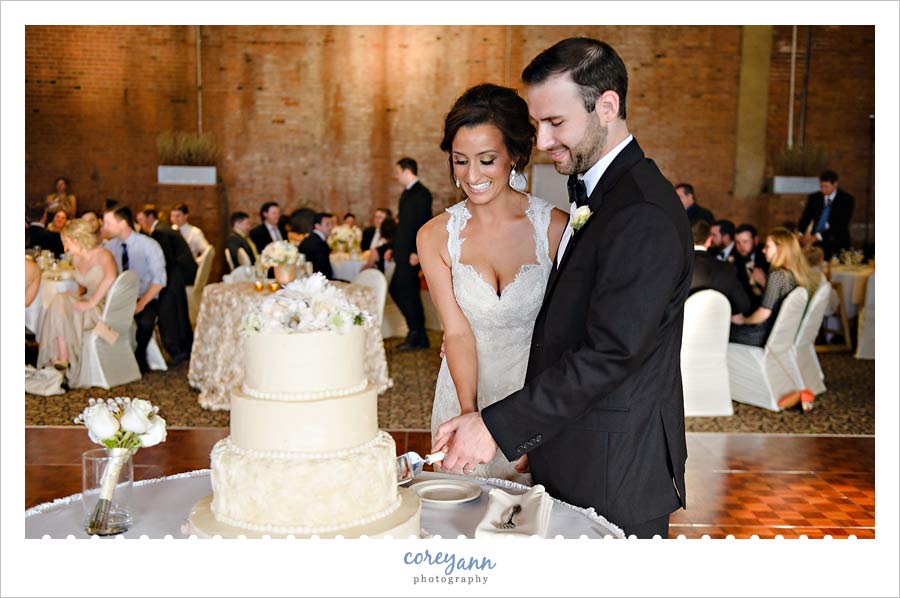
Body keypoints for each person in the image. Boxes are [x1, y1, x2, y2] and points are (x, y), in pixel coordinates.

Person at [431, 38, 692, 539]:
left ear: (607, 106)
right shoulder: (603, 194)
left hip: (615, 467)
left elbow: (611, 353)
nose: (545, 141)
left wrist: (495, 426)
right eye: (539, 124)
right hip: (574, 448)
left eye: (556, 123)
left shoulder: (642, 212)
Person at [418, 83, 568, 483]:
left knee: (530, 524)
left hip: (533, 397)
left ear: (514, 156)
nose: (472, 176)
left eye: (486, 160)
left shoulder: (554, 228)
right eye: (460, 161)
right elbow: (457, 332)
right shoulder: (435, 236)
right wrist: (469, 416)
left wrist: (529, 428)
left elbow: (565, 334)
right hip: (464, 389)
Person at [37, 219, 118, 387]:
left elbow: (110, 278)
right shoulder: (75, 258)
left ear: (77, 239)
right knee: (60, 299)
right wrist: (73, 295)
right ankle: (64, 356)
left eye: (66, 242)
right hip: (87, 300)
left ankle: (62, 359)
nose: (65, 248)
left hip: (104, 306)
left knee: (68, 307)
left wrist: (90, 303)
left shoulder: (103, 255)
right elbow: (83, 287)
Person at [103, 206, 167, 374]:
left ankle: (140, 356)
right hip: (118, 298)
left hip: (145, 296)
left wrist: (141, 304)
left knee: (145, 323)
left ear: (123, 223)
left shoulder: (149, 245)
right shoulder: (109, 247)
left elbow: (159, 280)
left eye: (108, 223)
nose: (104, 227)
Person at [729, 227, 818, 347]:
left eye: (768, 247)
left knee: (723, 331)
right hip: (781, 334)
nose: (763, 250)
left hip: (763, 335)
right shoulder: (792, 273)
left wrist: (744, 320)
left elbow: (764, 313)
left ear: (780, 249)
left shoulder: (777, 275)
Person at [136, 206, 196, 364]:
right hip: (177, 275)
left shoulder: (160, 232)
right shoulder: (163, 229)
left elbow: (164, 262)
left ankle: (178, 351)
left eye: (141, 220)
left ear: (150, 218)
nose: (140, 224)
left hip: (173, 276)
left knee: (170, 314)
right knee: (177, 313)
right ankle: (183, 349)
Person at [390, 157, 433, 350]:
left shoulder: (422, 194)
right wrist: (393, 248)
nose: (396, 176)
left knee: (407, 294)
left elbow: (424, 224)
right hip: (402, 252)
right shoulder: (406, 194)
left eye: (398, 172)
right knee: (401, 292)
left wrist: (417, 251)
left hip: (411, 255)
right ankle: (416, 333)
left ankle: (417, 335)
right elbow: (404, 227)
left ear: (407, 172)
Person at [689, 221, 751, 315]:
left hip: (682, 326)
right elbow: (744, 306)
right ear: (709, 240)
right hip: (719, 326)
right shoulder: (727, 268)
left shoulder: (677, 265)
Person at [798, 170, 854, 260]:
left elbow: (840, 225)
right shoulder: (814, 198)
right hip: (816, 245)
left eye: (826, 187)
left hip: (836, 242)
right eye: (821, 186)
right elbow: (806, 217)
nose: (823, 190)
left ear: (835, 184)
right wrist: (800, 233)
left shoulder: (846, 200)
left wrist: (817, 236)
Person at [733, 223, 770, 313]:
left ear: (756, 240)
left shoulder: (767, 256)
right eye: (738, 242)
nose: (741, 247)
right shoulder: (734, 259)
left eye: (745, 241)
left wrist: (764, 281)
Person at [298, 212, 335, 279]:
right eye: (327, 224)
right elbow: (323, 271)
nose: (331, 227)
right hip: (317, 281)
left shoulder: (310, 239)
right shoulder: (319, 243)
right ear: (317, 226)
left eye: (331, 224)